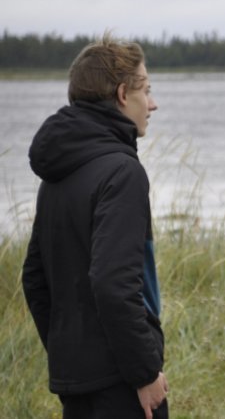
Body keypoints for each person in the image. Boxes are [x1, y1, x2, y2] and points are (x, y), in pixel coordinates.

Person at [22, 32, 168, 419]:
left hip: (77, 383)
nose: (153, 104)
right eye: (147, 90)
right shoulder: (122, 172)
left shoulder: (59, 172)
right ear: (123, 94)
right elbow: (113, 284)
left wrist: (71, 354)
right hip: (122, 384)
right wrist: (144, 372)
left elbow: (34, 279)